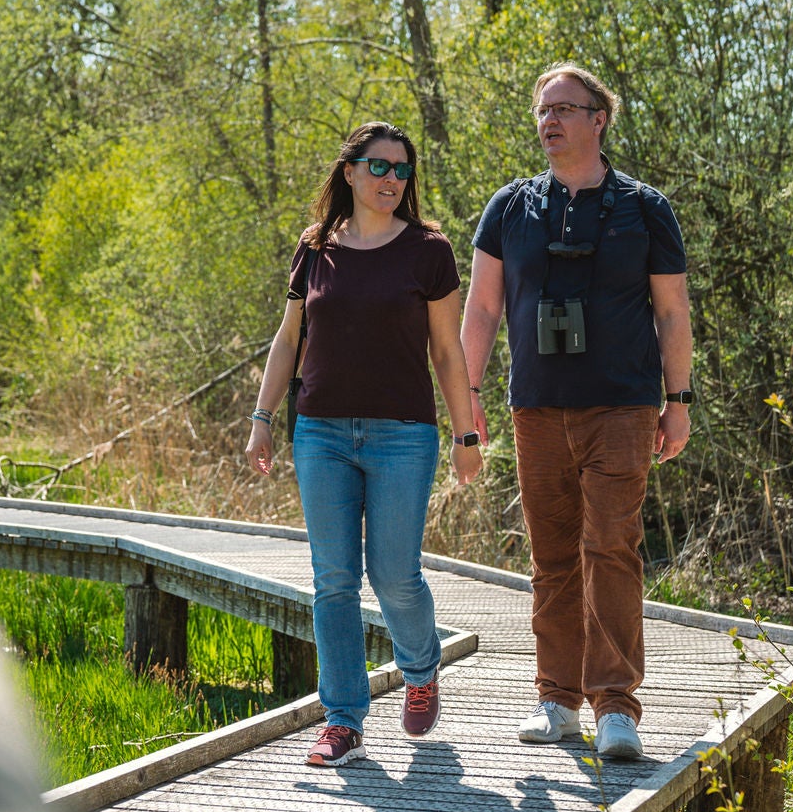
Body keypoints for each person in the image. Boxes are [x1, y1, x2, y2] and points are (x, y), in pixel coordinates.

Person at [458, 64, 694, 760]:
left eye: (565, 107)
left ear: (600, 118)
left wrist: (678, 401)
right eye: (542, 108)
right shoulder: (509, 207)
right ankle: (557, 700)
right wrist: (466, 398)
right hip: (535, 408)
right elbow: (482, 307)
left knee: (611, 549)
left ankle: (616, 709)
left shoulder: (645, 208)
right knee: (553, 557)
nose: (549, 119)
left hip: (622, 404)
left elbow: (673, 310)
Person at [244, 122, 484, 767]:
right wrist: (263, 417)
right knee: (333, 581)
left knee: (394, 575)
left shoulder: (429, 250)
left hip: (402, 436)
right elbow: (288, 338)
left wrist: (465, 435)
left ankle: (421, 667)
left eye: (402, 171)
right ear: (348, 171)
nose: (391, 181)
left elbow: (446, 350)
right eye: (379, 167)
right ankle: (343, 720)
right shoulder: (314, 246)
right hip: (319, 432)